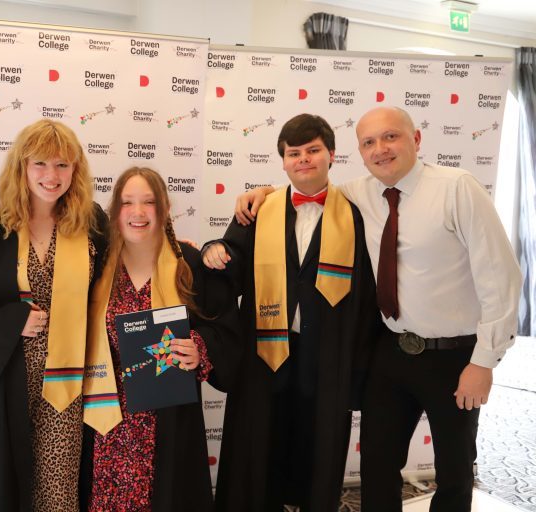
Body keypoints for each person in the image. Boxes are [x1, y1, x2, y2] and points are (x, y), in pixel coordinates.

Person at [233, 106, 521, 512]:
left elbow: (502, 277)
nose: (381, 149)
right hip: (391, 351)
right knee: (377, 466)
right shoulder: (359, 193)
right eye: (369, 142)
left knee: (455, 471)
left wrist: (484, 362)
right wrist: (260, 193)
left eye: (391, 137)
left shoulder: (458, 188)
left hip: (454, 356)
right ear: (358, 151)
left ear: (416, 140)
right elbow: (306, 186)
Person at [202, 114, 380, 511]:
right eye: (293, 153)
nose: (303, 160)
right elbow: (232, 261)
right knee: (259, 447)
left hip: (326, 353)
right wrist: (215, 250)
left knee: (317, 450)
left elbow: (367, 297)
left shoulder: (355, 213)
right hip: (265, 351)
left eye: (313, 150)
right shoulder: (258, 209)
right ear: (282, 161)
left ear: (331, 155)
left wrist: (359, 371)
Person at [0, 119, 111, 512]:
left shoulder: (92, 226)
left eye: (63, 165)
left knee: (58, 484)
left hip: (65, 380)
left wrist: (182, 247)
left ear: (76, 171)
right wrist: (12, 320)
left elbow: (120, 273)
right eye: (40, 164)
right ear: (21, 167)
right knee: (2, 484)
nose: (52, 176)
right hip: (1, 378)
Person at [82, 167, 240, 512]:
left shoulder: (190, 264)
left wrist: (199, 348)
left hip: (168, 423)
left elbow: (225, 330)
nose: (138, 212)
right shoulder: (94, 266)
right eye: (127, 202)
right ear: (114, 210)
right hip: (105, 421)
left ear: (164, 208)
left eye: (149, 202)